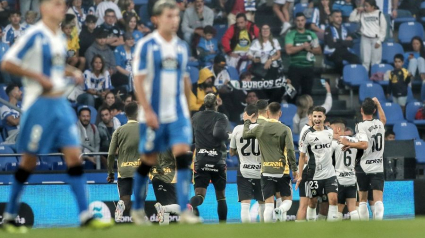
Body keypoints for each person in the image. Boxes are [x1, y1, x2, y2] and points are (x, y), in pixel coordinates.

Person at [0, 0, 112, 232]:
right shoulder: (34, 34)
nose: (62, 8)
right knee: (29, 162)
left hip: (60, 104)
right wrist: (38, 77)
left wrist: (72, 71)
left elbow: (55, 66)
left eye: (63, 4)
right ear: (43, 8)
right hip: (38, 105)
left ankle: (85, 215)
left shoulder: (59, 38)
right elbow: (8, 63)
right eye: (57, 4)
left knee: (74, 155)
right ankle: (10, 215)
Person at [131, 0, 200, 224]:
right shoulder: (147, 45)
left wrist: (187, 108)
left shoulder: (181, 46)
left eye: (176, 16)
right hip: (153, 114)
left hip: (177, 114)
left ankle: (183, 208)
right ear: (156, 19)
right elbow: (138, 80)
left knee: (183, 156)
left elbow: (185, 79)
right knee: (148, 160)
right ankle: (137, 207)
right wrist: (147, 110)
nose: (174, 21)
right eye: (169, 16)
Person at [242, 102, 297, 222]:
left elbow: (245, 135)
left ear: (267, 113)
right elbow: (291, 150)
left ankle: (267, 231)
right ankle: (281, 211)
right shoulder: (285, 129)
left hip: (266, 171)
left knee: (268, 205)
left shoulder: (260, 128)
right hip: (282, 171)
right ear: (280, 113)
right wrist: (295, 169)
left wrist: (246, 121)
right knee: (287, 201)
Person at [340, 97, 386, 220]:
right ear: (374, 111)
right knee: (378, 200)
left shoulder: (360, 126)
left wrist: (349, 143)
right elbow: (384, 119)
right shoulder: (380, 124)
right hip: (378, 165)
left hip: (363, 166)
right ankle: (378, 225)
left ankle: (364, 227)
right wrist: (378, 103)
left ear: (361, 110)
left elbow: (364, 145)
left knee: (363, 199)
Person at [190, 93, 230, 222]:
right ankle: (222, 227)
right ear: (216, 104)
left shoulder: (195, 117)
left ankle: (189, 206)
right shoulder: (221, 117)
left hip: (201, 160)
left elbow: (192, 136)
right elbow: (218, 134)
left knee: (200, 196)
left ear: (204, 103)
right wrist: (228, 136)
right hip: (217, 160)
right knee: (221, 196)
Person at [296, 106, 339, 221]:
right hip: (314, 174)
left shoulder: (330, 131)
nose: (317, 119)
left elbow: (335, 143)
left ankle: (333, 230)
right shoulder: (307, 134)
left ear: (324, 117)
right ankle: (312, 228)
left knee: (333, 199)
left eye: (319, 116)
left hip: (330, 173)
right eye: (315, 116)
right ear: (312, 118)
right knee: (312, 202)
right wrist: (300, 175)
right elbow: (301, 156)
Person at [230, 104, 265, 223]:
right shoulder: (263, 128)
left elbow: (231, 152)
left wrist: (239, 152)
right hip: (261, 171)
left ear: (251, 114)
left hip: (243, 171)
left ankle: (246, 233)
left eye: (245, 113)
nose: (243, 115)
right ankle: (266, 232)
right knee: (263, 203)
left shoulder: (237, 129)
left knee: (245, 204)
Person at [107, 102, 141, 220]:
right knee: (140, 199)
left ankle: (121, 205)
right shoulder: (144, 129)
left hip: (124, 170)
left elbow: (111, 154)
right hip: (140, 170)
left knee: (125, 200)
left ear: (126, 114)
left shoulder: (119, 131)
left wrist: (110, 172)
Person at [285, 13, 322, 100]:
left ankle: (305, 113)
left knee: (307, 94)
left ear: (305, 21)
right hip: (295, 68)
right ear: (295, 22)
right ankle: (293, 112)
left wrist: (309, 49)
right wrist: (303, 46)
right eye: (298, 20)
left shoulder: (312, 34)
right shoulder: (291, 34)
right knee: (292, 94)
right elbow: (288, 50)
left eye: (302, 20)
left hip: (309, 68)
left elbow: (319, 51)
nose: (300, 23)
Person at [330, 119, 360, 221]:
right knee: (353, 209)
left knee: (338, 209)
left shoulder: (335, 143)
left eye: (332, 129)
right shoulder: (355, 141)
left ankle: (335, 232)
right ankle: (358, 232)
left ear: (338, 129)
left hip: (339, 179)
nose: (331, 131)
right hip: (351, 177)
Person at [349, 0, 386, 72]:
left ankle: (375, 77)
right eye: (364, 6)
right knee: (365, 61)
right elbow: (351, 19)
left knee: (376, 62)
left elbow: (383, 29)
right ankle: (365, 77)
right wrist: (356, 10)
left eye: (367, 6)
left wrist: (379, 41)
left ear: (372, 7)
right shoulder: (362, 13)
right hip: (365, 39)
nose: (365, 7)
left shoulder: (379, 14)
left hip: (376, 39)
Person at [324, 10, 360, 75]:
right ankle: (340, 79)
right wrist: (344, 42)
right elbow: (331, 44)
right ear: (332, 18)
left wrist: (338, 41)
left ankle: (353, 78)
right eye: (337, 17)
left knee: (356, 59)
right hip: (333, 52)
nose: (339, 18)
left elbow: (350, 43)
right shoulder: (328, 29)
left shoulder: (345, 29)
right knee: (339, 61)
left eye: (340, 16)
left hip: (344, 51)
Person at [152, 150, 182, 224]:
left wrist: (152, 175)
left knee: (162, 208)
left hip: (156, 177)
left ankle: (163, 232)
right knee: (180, 207)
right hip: (170, 177)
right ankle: (164, 209)